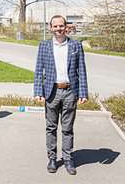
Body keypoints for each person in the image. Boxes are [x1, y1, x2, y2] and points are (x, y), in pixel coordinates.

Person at [33, 15, 88, 175]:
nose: (59, 29)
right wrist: (38, 91)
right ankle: (52, 158)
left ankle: (68, 158)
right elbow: (38, 70)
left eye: (61, 26)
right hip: (52, 92)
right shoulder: (44, 46)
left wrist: (83, 92)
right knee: (51, 127)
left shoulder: (76, 45)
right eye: (55, 26)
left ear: (66, 27)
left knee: (68, 128)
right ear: (50, 27)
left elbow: (82, 70)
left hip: (70, 91)